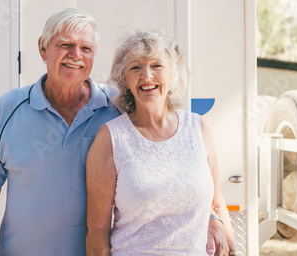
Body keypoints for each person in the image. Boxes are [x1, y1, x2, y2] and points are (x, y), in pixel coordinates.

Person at [0, 8, 229, 256]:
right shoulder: (9, 109)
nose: (75, 55)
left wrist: (212, 216)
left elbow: (170, 159)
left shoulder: (117, 107)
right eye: (65, 45)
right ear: (43, 48)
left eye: (85, 48)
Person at [86, 28, 237, 256]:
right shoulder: (110, 138)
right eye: (135, 67)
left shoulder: (199, 129)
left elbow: (216, 203)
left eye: (156, 65)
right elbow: (97, 229)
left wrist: (232, 247)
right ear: (124, 79)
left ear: (173, 74)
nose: (147, 76)